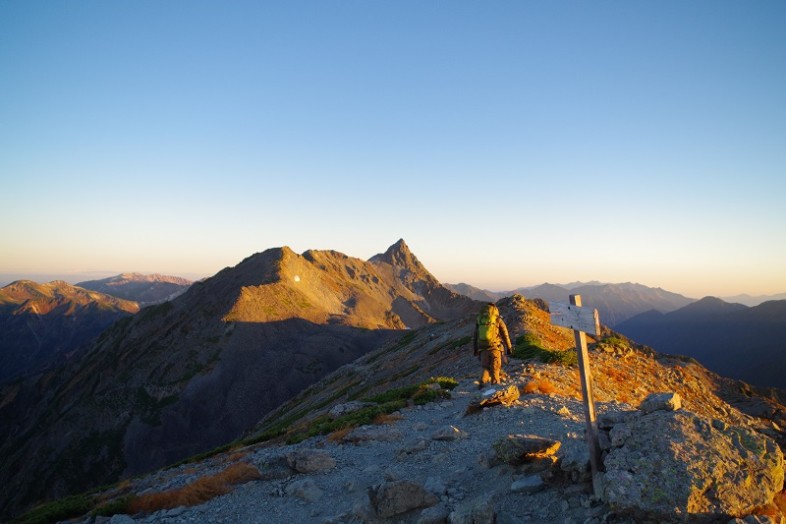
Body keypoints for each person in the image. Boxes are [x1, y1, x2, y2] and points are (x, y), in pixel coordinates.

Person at [473, 302, 513, 387]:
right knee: (495, 370)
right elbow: (505, 334)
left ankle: (482, 386)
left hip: (483, 349)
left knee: (485, 369)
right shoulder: (497, 319)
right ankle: (495, 391)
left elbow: (476, 335)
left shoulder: (480, 319)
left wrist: (475, 349)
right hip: (495, 348)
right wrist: (509, 347)